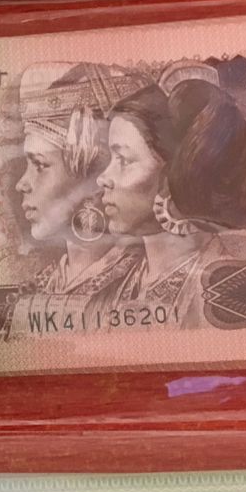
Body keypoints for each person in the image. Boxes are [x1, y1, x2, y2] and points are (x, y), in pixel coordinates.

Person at [96, 62, 246, 324]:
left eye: (123, 160)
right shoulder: (115, 285)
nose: (102, 179)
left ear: (176, 174)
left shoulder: (225, 295)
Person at [9, 60, 148, 331]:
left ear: (94, 178)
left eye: (40, 165)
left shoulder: (142, 283)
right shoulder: (40, 287)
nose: (21, 184)